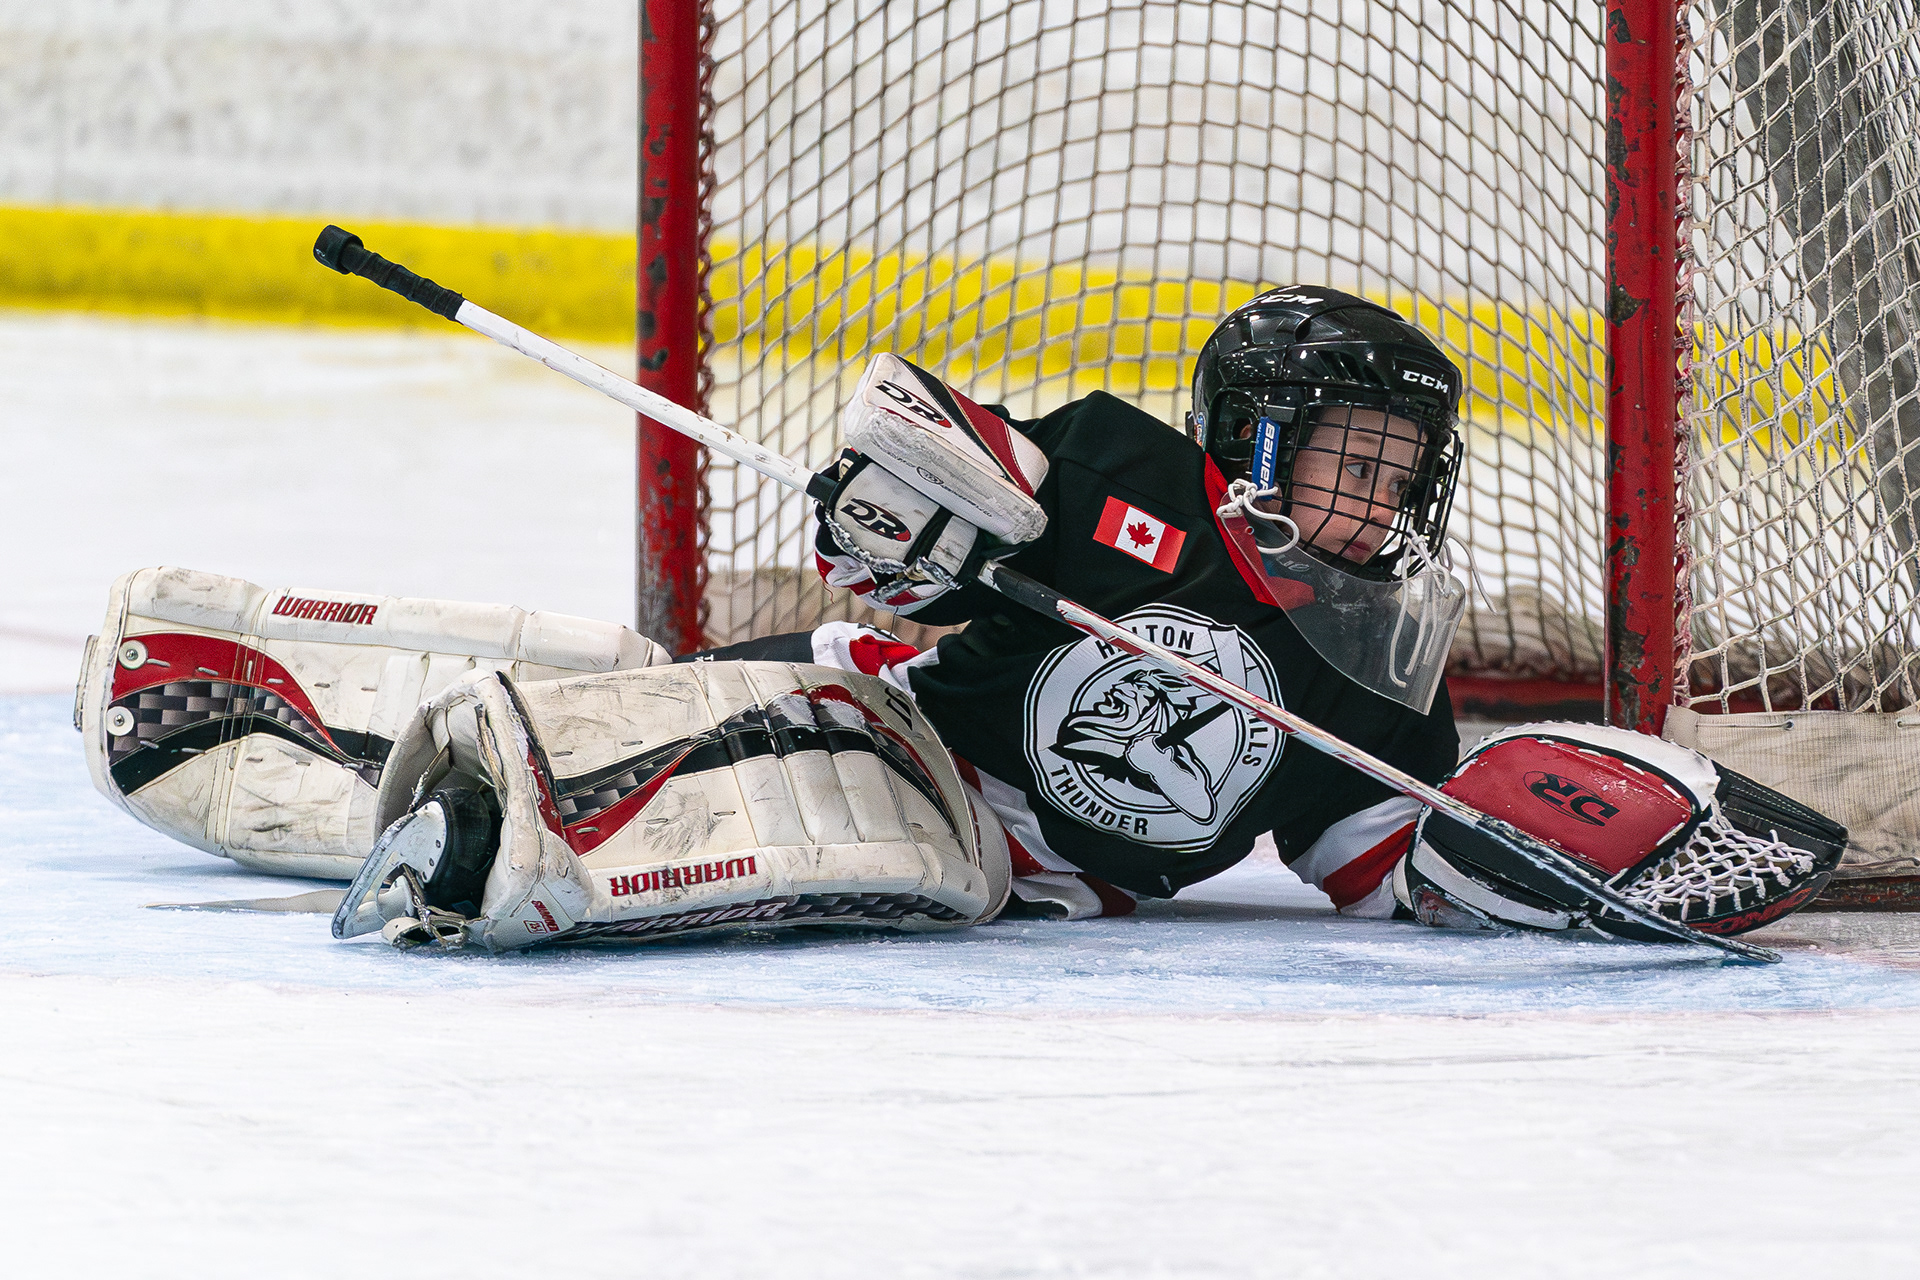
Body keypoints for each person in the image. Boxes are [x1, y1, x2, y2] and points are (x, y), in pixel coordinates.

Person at [76, 287, 1843, 950]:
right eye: (1342, 461)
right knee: (728, 731)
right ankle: (342, 747)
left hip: (989, 863)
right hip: (896, 721)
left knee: (792, 801)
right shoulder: (1129, 476)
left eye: (1396, 473)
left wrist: (1543, 860)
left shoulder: (1375, 671)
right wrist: (908, 521)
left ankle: (465, 785)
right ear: (1247, 443)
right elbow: (924, 442)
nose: (1370, 503)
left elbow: (1381, 847)